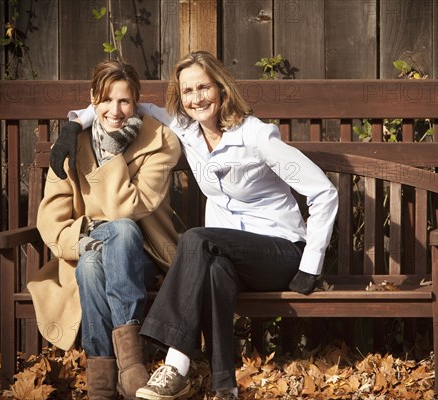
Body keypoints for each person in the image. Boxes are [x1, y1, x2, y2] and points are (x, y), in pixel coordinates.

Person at [52, 51, 338, 400]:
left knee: (196, 240)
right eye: (188, 91)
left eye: (204, 87)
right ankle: (224, 387)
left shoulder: (256, 136)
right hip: (228, 254)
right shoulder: (187, 130)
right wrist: (72, 125)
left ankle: (174, 365)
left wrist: (311, 265)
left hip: (278, 252)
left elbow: (323, 191)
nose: (196, 97)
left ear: (221, 88)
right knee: (214, 271)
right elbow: (122, 106)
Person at [29, 59, 181, 400]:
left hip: (142, 255)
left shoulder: (161, 142)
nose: (115, 110)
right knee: (92, 261)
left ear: (136, 102)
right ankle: (128, 370)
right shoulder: (71, 144)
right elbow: (50, 221)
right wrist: (81, 243)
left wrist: (111, 154)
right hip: (86, 245)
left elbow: (125, 208)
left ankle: (104, 382)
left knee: (122, 232)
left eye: (124, 101)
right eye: (107, 100)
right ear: (93, 101)